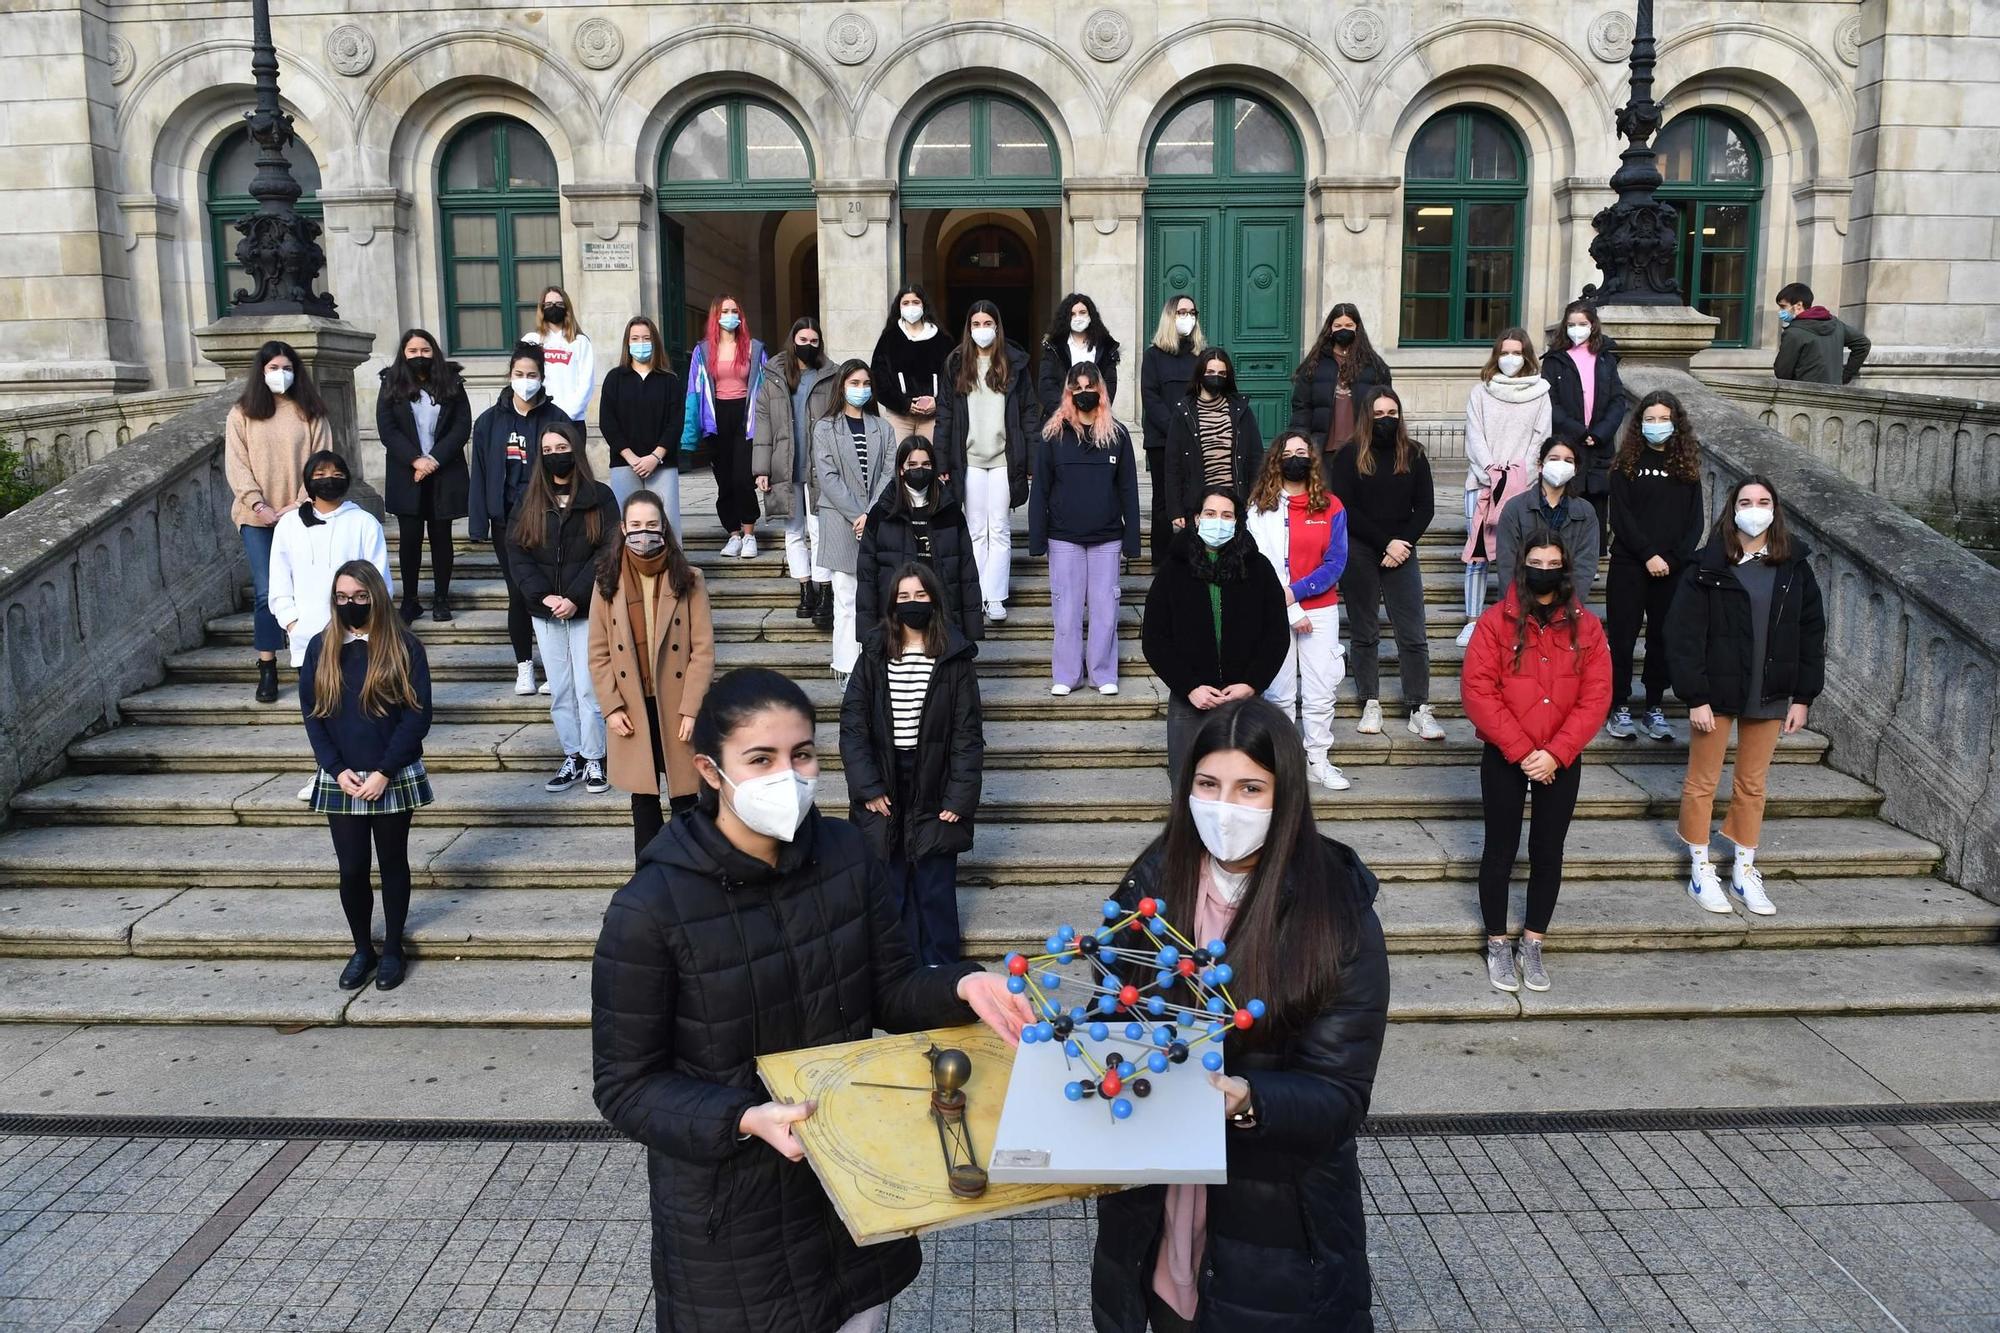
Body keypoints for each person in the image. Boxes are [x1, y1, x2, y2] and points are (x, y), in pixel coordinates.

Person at [591, 667, 1033, 1333]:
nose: (787, 775)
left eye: (802, 754)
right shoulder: (649, 910)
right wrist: (742, 1116)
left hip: (852, 1191)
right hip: (733, 1220)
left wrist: (963, 984)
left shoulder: (847, 853)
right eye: (761, 759)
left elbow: (892, 987)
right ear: (710, 770)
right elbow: (625, 1084)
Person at [1089, 697, 1389, 1333]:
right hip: (1157, 1220)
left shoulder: (1335, 910)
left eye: (1250, 788)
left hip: (1275, 1230)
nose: (1225, 807)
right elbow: (1106, 1015)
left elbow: (1339, 1092)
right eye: (1208, 785)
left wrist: (1250, 1100)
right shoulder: (1146, 887)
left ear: (1286, 795)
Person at [1667, 476, 1826, 918]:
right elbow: (1683, 634)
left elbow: (1812, 633)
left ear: (1775, 509)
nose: (1754, 508)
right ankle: (1700, 865)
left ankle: (1743, 866)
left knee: (1753, 783)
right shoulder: (1707, 565)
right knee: (1702, 780)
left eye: (1763, 501)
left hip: (1770, 689)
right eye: (1745, 501)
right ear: (1731, 509)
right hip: (1715, 691)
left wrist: (1803, 697)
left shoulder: (1794, 566)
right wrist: (1694, 695)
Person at [1461, 538, 1612, 994]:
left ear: (1565, 569)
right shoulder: (1494, 623)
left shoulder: (1586, 626)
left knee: (1549, 850)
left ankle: (1533, 941)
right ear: (1521, 567)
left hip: (1559, 758)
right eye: (1535, 563)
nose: (1543, 570)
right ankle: (1497, 942)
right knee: (1500, 849)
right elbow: (1478, 690)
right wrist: (1525, 751)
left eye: (1553, 564)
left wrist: (1556, 752)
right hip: (1509, 754)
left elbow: (1596, 695)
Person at [839, 562, 984, 966]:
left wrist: (959, 797)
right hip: (886, 779)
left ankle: (940, 971)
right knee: (891, 879)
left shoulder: (954, 657)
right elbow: (853, 725)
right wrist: (867, 787)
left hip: (934, 780)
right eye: (904, 597)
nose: (912, 603)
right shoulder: (873, 653)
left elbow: (967, 734)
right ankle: (896, 973)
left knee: (935, 884)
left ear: (934, 600)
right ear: (891, 604)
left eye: (920, 596)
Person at [298, 560, 433, 994]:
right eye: (341, 598)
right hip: (343, 778)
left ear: (375, 595)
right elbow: (312, 715)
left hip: (390, 772)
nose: (350, 604)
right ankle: (362, 949)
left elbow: (417, 716)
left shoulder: (404, 647)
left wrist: (384, 772)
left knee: (393, 862)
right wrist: (335, 771)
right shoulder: (322, 647)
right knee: (352, 868)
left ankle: (393, 948)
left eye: (359, 597)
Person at [589, 491, 715, 864]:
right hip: (631, 704)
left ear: (664, 528)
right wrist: (610, 706)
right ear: (624, 528)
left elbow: (702, 650)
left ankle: (689, 871)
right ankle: (650, 877)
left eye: (652, 526)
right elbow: (598, 653)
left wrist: (692, 708)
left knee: (685, 796)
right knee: (643, 798)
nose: (644, 535)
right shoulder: (606, 580)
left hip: (676, 703)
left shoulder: (690, 578)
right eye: (637, 526)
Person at [269, 450, 392, 801]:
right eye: (320, 473)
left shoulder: (363, 522)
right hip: (308, 636)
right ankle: (326, 769)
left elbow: (380, 578)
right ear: (308, 480)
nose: (329, 478)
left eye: (336, 472)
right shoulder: (290, 525)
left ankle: (356, 770)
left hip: (355, 633)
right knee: (319, 708)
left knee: (352, 707)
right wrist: (291, 621)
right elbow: (278, 580)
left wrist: (366, 626)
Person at [1143, 488, 1289, 781]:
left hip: (1243, 700)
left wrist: (1252, 683)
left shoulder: (1257, 569)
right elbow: (1155, 639)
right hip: (1191, 699)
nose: (1217, 521)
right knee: (1187, 786)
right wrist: (1190, 687)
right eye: (1210, 514)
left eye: (1226, 515)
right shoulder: (1173, 569)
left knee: (1243, 784)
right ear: (1196, 519)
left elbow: (1276, 634)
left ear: (1237, 522)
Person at [507, 419, 619, 796]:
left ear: (576, 449)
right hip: (546, 610)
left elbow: (608, 550)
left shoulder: (600, 496)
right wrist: (544, 597)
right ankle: (572, 754)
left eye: (562, 448)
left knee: (588, 688)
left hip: (586, 607)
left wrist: (576, 596)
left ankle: (595, 758)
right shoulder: (528, 499)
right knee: (561, 689)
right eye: (549, 450)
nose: (556, 456)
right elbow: (517, 553)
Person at [224, 339, 334, 704]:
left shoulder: (311, 411)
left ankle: (304, 657)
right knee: (266, 590)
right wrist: (258, 506)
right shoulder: (242, 413)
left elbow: (324, 462)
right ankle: (267, 664)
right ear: (261, 371)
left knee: (304, 587)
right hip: (256, 517)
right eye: (273, 368)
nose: (280, 374)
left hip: (300, 513)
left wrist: (298, 503)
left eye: (287, 368)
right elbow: (237, 466)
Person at [1328, 388, 1440, 740]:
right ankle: (1370, 700)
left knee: (1413, 633)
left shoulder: (1414, 453)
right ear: (1367, 416)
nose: (1387, 419)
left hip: (1402, 551)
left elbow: (1425, 507)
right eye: (1379, 413)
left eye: (1393, 411)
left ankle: (1418, 706)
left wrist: (1402, 544)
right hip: (1361, 550)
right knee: (1365, 632)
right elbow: (1345, 506)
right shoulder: (1348, 456)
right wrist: (1385, 543)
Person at [1246, 431, 1351, 791]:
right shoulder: (1261, 507)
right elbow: (1260, 562)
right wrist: (1289, 608)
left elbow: (1335, 562)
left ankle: (1318, 760)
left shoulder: (1331, 506)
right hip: (1275, 611)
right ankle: (1283, 762)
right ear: (1277, 459)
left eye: (1301, 452)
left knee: (1322, 688)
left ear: (1312, 459)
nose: (1295, 458)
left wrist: (1297, 592)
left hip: (1320, 609)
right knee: (1279, 692)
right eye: (1288, 452)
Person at [1029, 362, 1141, 697]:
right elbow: (1041, 490)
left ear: (1101, 391)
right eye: (1076, 388)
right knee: (1066, 609)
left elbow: (1128, 491)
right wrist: (1037, 538)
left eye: (1089, 386)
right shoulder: (1053, 435)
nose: (1083, 393)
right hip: (1064, 537)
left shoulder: (1118, 436)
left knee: (1105, 609)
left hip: (1107, 538)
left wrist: (1132, 539)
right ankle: (1066, 673)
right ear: (1068, 393)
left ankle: (1103, 673)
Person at [470, 343, 572, 696]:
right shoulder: (488, 422)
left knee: (550, 589)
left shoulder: (556, 418)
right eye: (519, 374)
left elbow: (571, 466)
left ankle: (554, 667)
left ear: (542, 378)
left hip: (547, 517)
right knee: (519, 592)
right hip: (506, 522)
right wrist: (478, 523)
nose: (525, 381)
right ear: (509, 376)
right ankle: (524, 666)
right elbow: (480, 473)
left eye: (531, 375)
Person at [1605, 391, 1706, 742]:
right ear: (1639, 423)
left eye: (1664, 419)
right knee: (1622, 637)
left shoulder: (1688, 467)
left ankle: (1653, 706)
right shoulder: (1626, 463)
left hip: (1673, 569)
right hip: (1630, 564)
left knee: (1663, 638)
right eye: (1651, 419)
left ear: (1676, 423)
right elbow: (1621, 516)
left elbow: (1695, 524)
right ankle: (1617, 705)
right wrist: (1648, 554)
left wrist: (1673, 559)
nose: (1657, 426)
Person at [932, 301, 1038, 623]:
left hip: (1005, 457)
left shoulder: (1014, 363)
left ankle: (996, 596)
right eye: (976, 323)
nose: (982, 329)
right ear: (969, 328)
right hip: (970, 459)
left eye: (987, 322)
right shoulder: (955, 365)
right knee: (977, 529)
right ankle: (976, 594)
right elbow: (945, 416)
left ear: (997, 326)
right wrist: (941, 462)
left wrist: (1031, 457)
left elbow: (1029, 413)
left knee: (1001, 527)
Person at [1458, 326, 1552, 646]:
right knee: (1479, 555)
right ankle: (1473, 619)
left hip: (1522, 486)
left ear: (1526, 355)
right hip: (1482, 484)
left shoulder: (1540, 393)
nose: (1510, 359)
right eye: (1504, 352)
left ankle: (1513, 615)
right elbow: (1475, 436)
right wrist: (1491, 472)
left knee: (1517, 555)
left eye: (1516, 352)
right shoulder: (1481, 392)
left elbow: (1540, 439)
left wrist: (1517, 476)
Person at [376, 328, 470, 625]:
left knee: (442, 537)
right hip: (407, 473)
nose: (420, 356)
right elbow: (387, 428)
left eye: (425, 351)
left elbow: (461, 426)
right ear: (404, 354)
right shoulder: (390, 383)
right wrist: (415, 460)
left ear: (435, 352)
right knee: (410, 539)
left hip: (443, 471)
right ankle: (411, 599)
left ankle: (441, 597)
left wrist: (432, 460)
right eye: (413, 351)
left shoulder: (452, 382)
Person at [812, 359, 899, 678]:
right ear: (841, 387)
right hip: (839, 521)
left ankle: (876, 664)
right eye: (854, 384)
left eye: (866, 384)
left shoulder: (883, 427)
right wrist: (856, 514)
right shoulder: (824, 428)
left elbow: (890, 473)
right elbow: (828, 476)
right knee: (846, 598)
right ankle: (847, 669)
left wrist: (871, 513)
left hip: (875, 520)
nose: (861, 390)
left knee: (877, 595)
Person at [753, 317, 839, 624]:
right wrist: (761, 469)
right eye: (802, 340)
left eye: (814, 341)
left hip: (819, 467)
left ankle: (825, 589)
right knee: (793, 532)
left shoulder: (831, 376)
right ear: (793, 341)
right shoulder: (774, 376)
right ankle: (806, 589)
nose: (808, 346)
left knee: (819, 531)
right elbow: (762, 426)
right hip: (784, 465)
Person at [856, 437, 983, 641]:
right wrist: (868, 632)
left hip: (942, 615)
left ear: (934, 468)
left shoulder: (950, 512)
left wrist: (973, 629)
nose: (919, 470)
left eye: (926, 464)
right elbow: (867, 577)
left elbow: (967, 573)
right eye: (912, 465)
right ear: (900, 469)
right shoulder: (881, 514)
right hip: (895, 619)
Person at [681, 294, 766, 556]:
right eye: (725, 311)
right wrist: (689, 434)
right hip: (716, 419)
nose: (730, 315)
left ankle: (749, 533)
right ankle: (733, 534)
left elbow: (764, 388)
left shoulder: (754, 348)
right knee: (724, 480)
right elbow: (693, 393)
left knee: (743, 477)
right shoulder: (703, 350)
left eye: (734, 310)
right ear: (716, 316)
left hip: (746, 416)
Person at [1541, 300, 1627, 550]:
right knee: (1565, 498)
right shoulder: (1554, 360)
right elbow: (1550, 402)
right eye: (1571, 324)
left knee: (1597, 501)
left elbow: (1617, 399)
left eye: (1582, 324)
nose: (1576, 329)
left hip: (1599, 445)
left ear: (1592, 325)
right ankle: (1560, 554)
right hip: (1568, 443)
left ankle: (1594, 557)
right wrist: (1578, 432)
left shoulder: (1606, 359)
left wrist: (1600, 433)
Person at [599, 315, 687, 528]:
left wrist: (655, 456)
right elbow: (607, 422)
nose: (641, 343)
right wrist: (631, 457)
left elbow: (675, 423)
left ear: (654, 341)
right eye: (635, 338)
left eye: (646, 338)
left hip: (662, 464)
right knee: (627, 524)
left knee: (667, 524)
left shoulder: (669, 380)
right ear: (627, 343)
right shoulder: (615, 379)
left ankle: (670, 563)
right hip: (624, 463)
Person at [1163, 348, 1263, 532]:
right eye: (1210, 372)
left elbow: (1256, 458)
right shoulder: (1183, 412)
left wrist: (1255, 499)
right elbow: (1173, 466)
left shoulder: (1242, 411)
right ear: (1200, 374)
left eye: (1221, 373)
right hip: (1198, 506)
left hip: (1234, 504)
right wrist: (1175, 509)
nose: (1216, 377)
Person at [1494, 437, 1602, 602]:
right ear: (1540, 465)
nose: (1561, 464)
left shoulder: (1585, 512)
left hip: (1565, 606)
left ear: (1575, 469)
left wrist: (1569, 606)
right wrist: (1517, 605)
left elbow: (1585, 566)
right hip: (1521, 604)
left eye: (1568, 461)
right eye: (1554, 459)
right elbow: (1507, 562)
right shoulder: (1515, 508)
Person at [1140, 294, 1206, 559]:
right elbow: (1151, 397)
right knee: (1163, 502)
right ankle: (1162, 561)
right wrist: (1176, 429)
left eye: (1192, 312)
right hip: (1162, 440)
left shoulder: (1200, 357)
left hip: (1196, 438)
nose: (1187, 317)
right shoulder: (1153, 356)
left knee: (1195, 497)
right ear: (1170, 316)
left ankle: (1194, 556)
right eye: (1182, 312)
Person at [1289, 303, 1392, 450]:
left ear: (1357, 327)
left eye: (1349, 325)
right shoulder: (1314, 364)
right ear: (1330, 328)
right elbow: (1302, 407)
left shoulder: (1374, 365)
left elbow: (1385, 405)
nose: (1343, 329)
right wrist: (1300, 440)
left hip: (1363, 448)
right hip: (1323, 448)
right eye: (1338, 325)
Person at [868, 284, 952, 444]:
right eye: (905, 303)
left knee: (930, 460)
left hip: (932, 416)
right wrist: (904, 404)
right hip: (899, 417)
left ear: (923, 305)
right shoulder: (889, 338)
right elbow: (878, 378)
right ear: (898, 307)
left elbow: (952, 377)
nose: (911, 307)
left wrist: (938, 401)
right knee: (899, 461)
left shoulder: (942, 340)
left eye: (915, 302)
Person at [1037, 292, 1121, 418]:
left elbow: (1109, 384)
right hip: (1061, 420)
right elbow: (1047, 385)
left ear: (1090, 315)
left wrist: (1095, 413)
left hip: (1096, 419)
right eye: (1073, 314)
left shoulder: (1105, 348)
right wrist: (1066, 413)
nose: (1078, 317)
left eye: (1082, 312)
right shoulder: (1054, 347)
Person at [523, 284, 595, 422]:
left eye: (559, 304)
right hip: (539, 418)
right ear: (542, 308)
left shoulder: (580, 342)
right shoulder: (531, 340)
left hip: (572, 419)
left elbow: (586, 383)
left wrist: (568, 415)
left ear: (566, 308)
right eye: (549, 304)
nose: (554, 307)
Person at [1774, 282, 1870, 385]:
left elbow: (1782, 372)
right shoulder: (1836, 325)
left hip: (1803, 394)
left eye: (1783, 307)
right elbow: (1863, 344)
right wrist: (1843, 377)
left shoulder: (1794, 333)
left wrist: (1845, 376)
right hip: (1834, 392)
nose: (1780, 311)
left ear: (1798, 305)